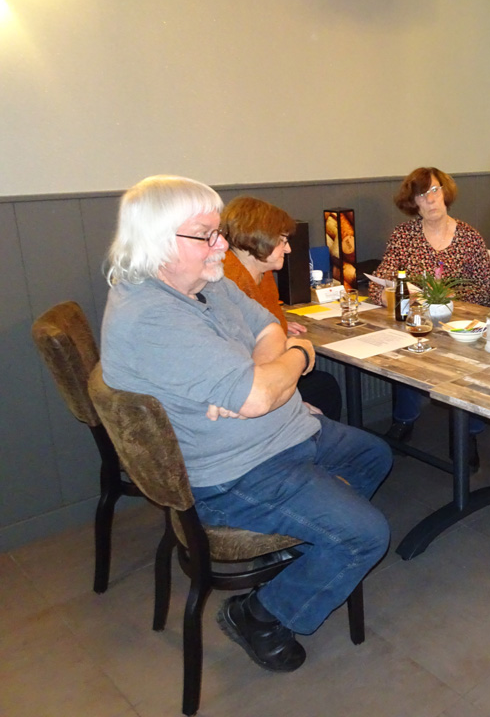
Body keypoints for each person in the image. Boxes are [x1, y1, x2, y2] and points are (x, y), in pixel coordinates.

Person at [100, 175, 391, 673]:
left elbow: (268, 327)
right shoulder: (152, 317)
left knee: (374, 455)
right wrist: (300, 356)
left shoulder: (206, 281)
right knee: (367, 535)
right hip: (234, 472)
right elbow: (259, 393)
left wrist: (262, 373)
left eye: (217, 231)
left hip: (282, 433)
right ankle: (258, 614)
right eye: (205, 235)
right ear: (156, 242)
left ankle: (303, 554)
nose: (221, 245)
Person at [368, 167, 490, 448]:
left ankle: (469, 433)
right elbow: (380, 282)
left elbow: (488, 288)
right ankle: (404, 419)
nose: (430, 199)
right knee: (403, 346)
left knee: (470, 359)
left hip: (460, 327)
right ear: (413, 203)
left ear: (445, 193)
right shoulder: (404, 236)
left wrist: (450, 296)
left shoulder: (469, 237)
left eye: (434, 190)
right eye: (421, 195)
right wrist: (391, 295)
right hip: (418, 324)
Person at [221, 196, 342, 420]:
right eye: (282, 241)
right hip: (248, 389)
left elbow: (266, 318)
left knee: (325, 385)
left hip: (268, 371)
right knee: (324, 387)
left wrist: (280, 326)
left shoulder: (262, 272)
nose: (288, 250)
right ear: (258, 238)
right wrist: (294, 403)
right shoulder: (227, 282)